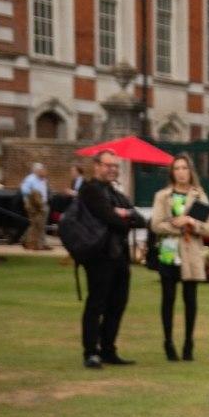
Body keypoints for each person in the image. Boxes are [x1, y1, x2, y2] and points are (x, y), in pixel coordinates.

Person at [76, 150, 144, 369]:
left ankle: (108, 349)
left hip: (118, 256)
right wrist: (123, 217)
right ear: (96, 166)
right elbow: (110, 218)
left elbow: (138, 218)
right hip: (98, 256)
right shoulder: (90, 190)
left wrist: (123, 214)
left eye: (115, 166)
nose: (112, 169)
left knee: (117, 304)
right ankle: (90, 351)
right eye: (108, 165)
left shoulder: (114, 192)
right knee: (96, 303)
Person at [150, 155, 209, 362]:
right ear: (172, 172)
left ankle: (189, 342)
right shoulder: (163, 196)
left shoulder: (199, 195)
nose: (181, 172)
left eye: (184, 168)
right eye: (177, 168)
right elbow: (156, 224)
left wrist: (191, 224)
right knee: (168, 299)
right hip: (169, 253)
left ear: (190, 171)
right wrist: (177, 225)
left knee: (190, 300)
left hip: (191, 254)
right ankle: (168, 342)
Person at [19, 162, 50, 249]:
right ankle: (36, 244)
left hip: (43, 203)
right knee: (36, 224)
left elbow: (45, 191)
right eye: (42, 170)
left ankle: (39, 243)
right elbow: (24, 190)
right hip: (34, 205)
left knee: (40, 225)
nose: (44, 171)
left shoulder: (43, 179)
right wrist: (34, 195)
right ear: (36, 170)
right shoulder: (30, 179)